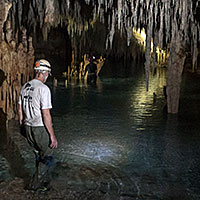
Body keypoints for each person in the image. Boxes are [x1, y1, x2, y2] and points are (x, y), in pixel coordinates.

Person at [18, 59, 58, 191]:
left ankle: (42, 181)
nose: (47, 76)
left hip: (28, 127)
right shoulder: (43, 89)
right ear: (44, 73)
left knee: (38, 154)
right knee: (48, 153)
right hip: (39, 127)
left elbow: (20, 109)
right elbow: (46, 114)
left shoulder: (25, 87)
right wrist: (52, 135)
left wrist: (22, 126)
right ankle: (35, 185)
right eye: (47, 73)